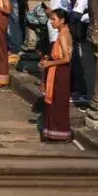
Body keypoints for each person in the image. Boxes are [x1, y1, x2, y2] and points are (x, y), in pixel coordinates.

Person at [39, 8, 74, 142]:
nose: (51, 22)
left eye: (54, 19)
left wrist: (49, 64)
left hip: (61, 72)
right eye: (51, 19)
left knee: (58, 102)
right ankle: (53, 132)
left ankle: (60, 133)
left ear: (62, 20)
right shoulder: (61, 33)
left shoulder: (64, 35)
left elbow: (66, 59)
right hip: (58, 70)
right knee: (54, 102)